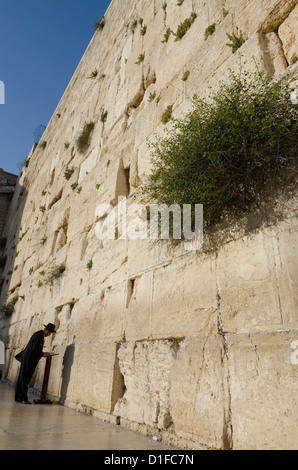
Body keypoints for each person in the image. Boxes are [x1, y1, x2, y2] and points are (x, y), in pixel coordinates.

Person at [14, 323, 57, 404]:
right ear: (47, 330)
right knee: (25, 380)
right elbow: (35, 349)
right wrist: (43, 354)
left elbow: (35, 348)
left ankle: (19, 398)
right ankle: (23, 398)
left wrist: (42, 353)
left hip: (27, 359)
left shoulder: (38, 334)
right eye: (50, 333)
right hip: (29, 360)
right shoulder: (40, 336)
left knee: (22, 379)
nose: (50, 334)